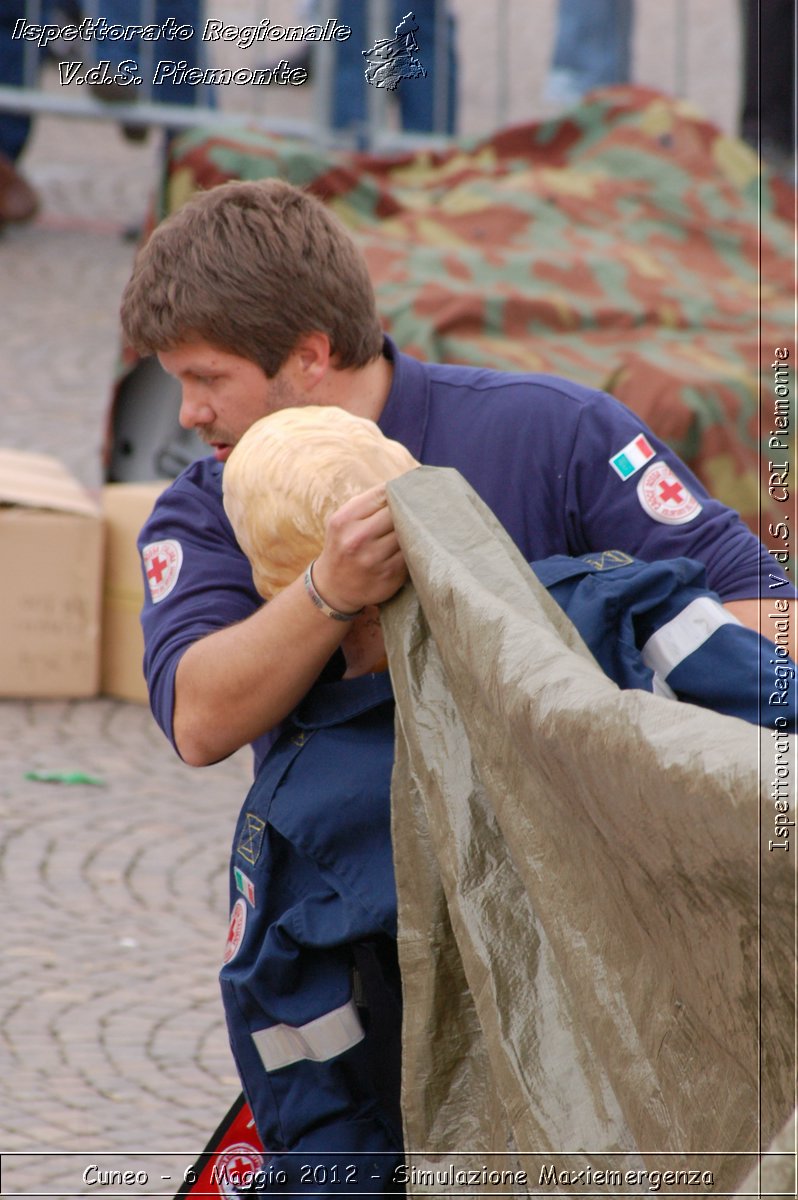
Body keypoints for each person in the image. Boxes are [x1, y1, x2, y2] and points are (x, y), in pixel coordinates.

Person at [215, 404, 793, 1190]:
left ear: (273, 581)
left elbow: (312, 1083)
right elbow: (774, 724)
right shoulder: (623, 603)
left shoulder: (296, 814)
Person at [120, 177, 789, 777]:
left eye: (208, 379)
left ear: (308, 357)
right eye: (177, 381)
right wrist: (330, 592)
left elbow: (768, 613)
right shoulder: (208, 504)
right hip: (354, 899)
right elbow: (198, 723)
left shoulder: (555, 432)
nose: (188, 414)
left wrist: (588, 701)